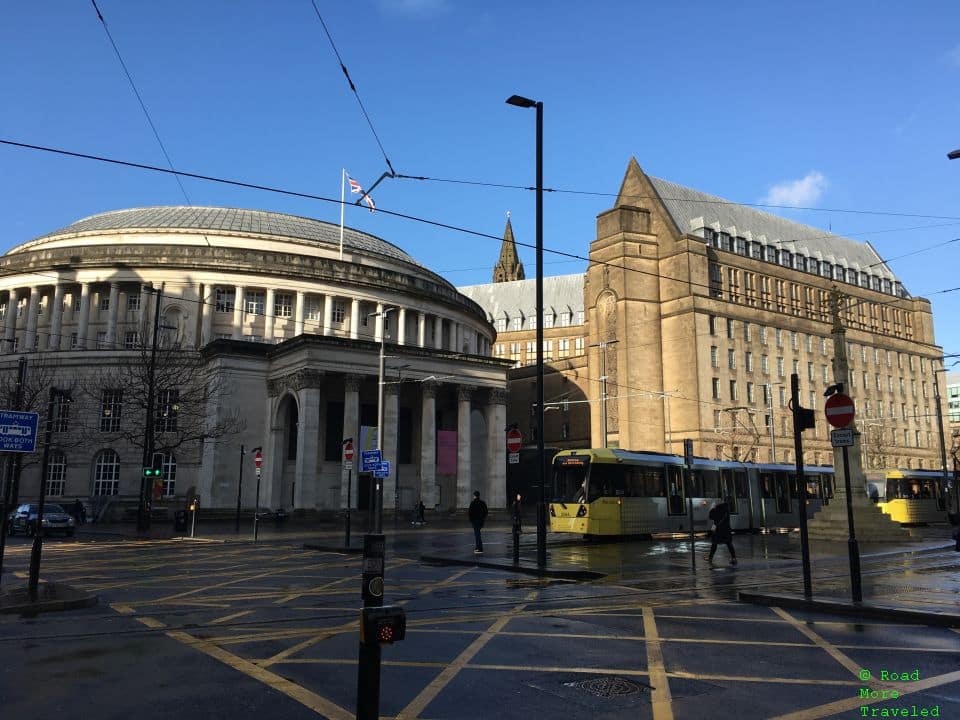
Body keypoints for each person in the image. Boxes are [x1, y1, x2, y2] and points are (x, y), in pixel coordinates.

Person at [708, 500, 737, 565]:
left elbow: (711, 517)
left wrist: (712, 508)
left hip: (718, 530)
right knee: (729, 543)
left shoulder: (716, 510)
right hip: (726, 529)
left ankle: (710, 557)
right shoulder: (726, 509)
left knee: (714, 544)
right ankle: (734, 558)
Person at [468, 490, 488, 554]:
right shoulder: (483, 503)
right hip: (481, 521)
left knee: (477, 535)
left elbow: (470, 513)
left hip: (475, 521)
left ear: (474, 496)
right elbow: (486, 512)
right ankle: (477, 548)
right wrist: (483, 519)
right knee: (477, 534)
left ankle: (480, 548)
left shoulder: (473, 503)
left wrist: (471, 520)